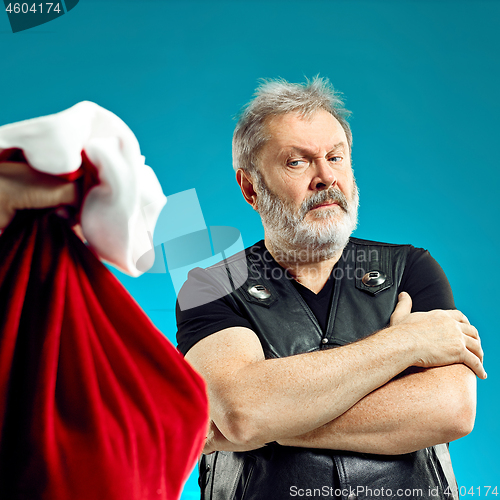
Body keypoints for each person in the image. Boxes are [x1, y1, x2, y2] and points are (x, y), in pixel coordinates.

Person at [175, 77, 486, 500]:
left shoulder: (411, 269)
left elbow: (451, 409)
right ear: (250, 187)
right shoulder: (211, 287)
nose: (326, 177)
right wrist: (404, 343)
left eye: (335, 157)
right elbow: (242, 410)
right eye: (297, 162)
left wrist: (273, 421)